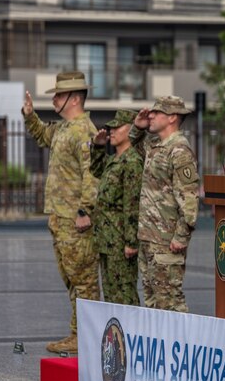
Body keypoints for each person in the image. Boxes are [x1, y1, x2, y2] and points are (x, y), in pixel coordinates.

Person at [22, 71, 100, 353]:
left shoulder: (85, 131)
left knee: (84, 279)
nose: (53, 99)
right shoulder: (64, 128)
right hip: (60, 217)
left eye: (58, 94)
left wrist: (84, 210)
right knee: (72, 278)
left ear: (74, 98)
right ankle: (79, 334)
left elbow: (92, 175)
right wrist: (30, 116)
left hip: (75, 219)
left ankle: (86, 336)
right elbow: (43, 135)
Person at [130, 96, 199, 312]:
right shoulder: (156, 146)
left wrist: (181, 236)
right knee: (152, 302)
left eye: (156, 112)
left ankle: (183, 343)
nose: (150, 114)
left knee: (170, 302)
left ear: (172, 117)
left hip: (167, 241)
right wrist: (138, 128)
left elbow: (189, 198)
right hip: (149, 238)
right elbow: (132, 146)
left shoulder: (179, 150)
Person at [91, 110, 143, 306]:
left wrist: (131, 241)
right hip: (107, 239)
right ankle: (116, 336)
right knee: (111, 295)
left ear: (130, 129)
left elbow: (132, 204)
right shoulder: (115, 160)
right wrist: (97, 146)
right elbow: (96, 170)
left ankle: (130, 334)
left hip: (120, 241)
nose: (111, 131)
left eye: (117, 127)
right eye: (111, 127)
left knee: (124, 294)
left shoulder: (131, 161)